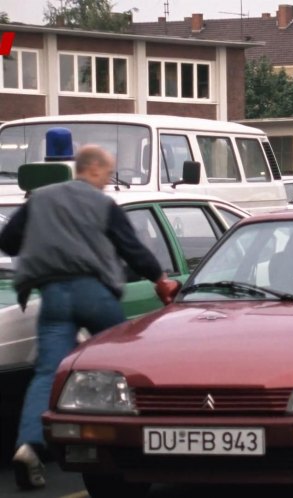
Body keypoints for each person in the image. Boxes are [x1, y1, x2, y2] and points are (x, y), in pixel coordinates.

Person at [0, 144, 180, 490]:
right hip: (94, 293)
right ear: (94, 170)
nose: (109, 182)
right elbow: (132, 248)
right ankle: (141, 441)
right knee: (123, 363)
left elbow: (8, 242)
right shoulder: (103, 204)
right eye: (108, 175)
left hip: (52, 295)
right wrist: (159, 279)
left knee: (47, 372)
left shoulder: (40, 199)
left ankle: (28, 445)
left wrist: (45, 245)